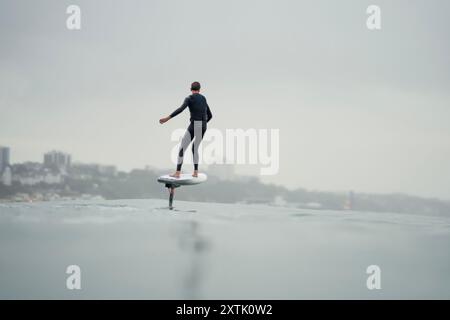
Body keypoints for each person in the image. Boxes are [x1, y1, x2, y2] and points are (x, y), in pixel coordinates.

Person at [159, 81, 212, 178]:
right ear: (200, 89)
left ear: (191, 89)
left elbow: (180, 109)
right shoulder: (204, 98)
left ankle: (177, 173)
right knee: (195, 148)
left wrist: (167, 118)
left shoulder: (189, 98)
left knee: (182, 148)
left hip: (195, 124)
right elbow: (210, 115)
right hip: (204, 125)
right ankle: (196, 172)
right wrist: (203, 124)